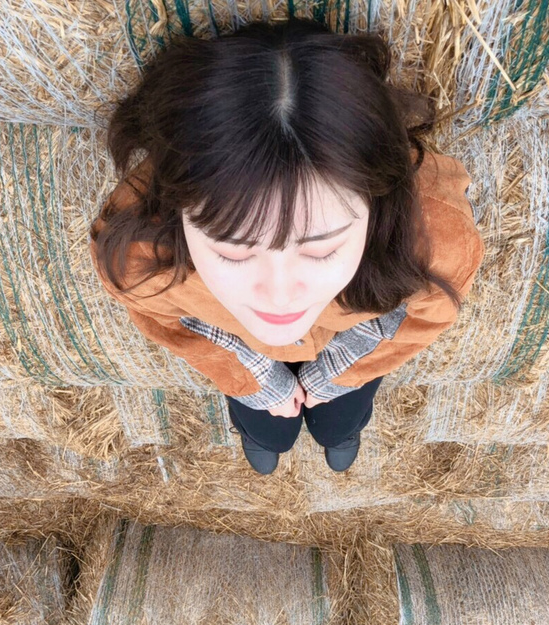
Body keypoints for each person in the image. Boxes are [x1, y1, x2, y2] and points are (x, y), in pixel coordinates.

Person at [89, 17, 485, 475]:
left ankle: (339, 429)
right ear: (177, 210)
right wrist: (257, 379)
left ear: (378, 203)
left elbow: (429, 312)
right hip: (241, 354)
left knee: (340, 418)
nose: (279, 296)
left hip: (353, 349)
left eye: (320, 249)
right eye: (233, 250)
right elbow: (162, 318)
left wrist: (338, 373)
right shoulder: (137, 250)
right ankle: (265, 432)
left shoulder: (437, 238)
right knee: (267, 426)